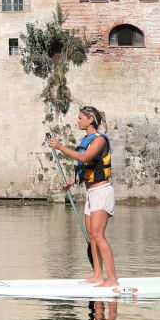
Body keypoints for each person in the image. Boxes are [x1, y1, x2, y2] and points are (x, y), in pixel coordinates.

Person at [47, 105, 117, 286]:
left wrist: (61, 147)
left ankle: (112, 279)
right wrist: (72, 181)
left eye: (80, 118)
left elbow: (84, 158)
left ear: (90, 119)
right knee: (91, 235)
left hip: (102, 192)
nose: (77, 121)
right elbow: (86, 167)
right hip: (91, 192)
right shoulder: (86, 140)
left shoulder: (100, 140)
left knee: (98, 234)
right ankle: (97, 275)